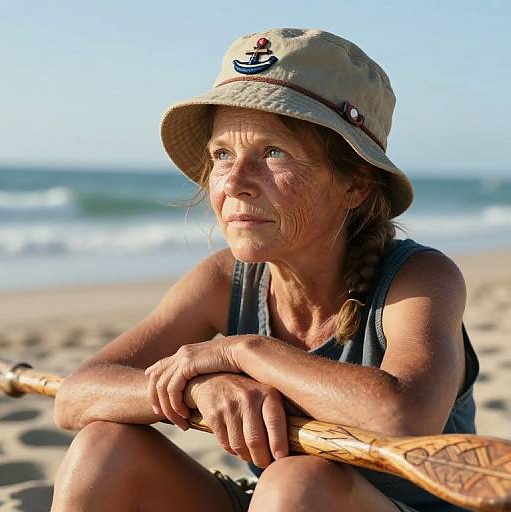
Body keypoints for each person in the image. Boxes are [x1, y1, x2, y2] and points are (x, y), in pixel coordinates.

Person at [50, 28, 479, 512]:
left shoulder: (419, 279)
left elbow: (405, 416)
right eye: (222, 155)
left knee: (297, 483)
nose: (233, 182)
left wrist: (247, 352)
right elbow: (77, 397)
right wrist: (200, 387)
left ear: (355, 185)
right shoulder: (224, 279)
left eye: (272, 152)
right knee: (102, 448)